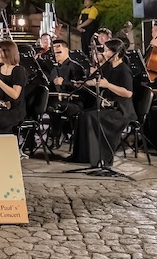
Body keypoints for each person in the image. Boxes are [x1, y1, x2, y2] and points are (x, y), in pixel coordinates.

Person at [66, 38, 136, 168]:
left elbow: (128, 93)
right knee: (82, 115)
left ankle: (101, 158)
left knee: (92, 116)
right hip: (107, 106)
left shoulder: (124, 70)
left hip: (120, 109)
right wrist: (84, 83)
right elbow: (98, 81)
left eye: (106, 50)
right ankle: (82, 156)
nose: (103, 53)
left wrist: (108, 85)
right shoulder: (108, 67)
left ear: (116, 53)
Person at [45, 39, 85, 148]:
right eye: (55, 52)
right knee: (48, 106)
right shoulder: (54, 69)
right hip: (58, 100)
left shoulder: (75, 67)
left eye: (59, 52)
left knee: (55, 107)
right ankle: (57, 133)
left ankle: (57, 135)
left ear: (67, 50)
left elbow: (82, 86)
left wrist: (65, 82)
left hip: (74, 102)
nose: (56, 55)